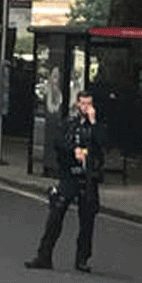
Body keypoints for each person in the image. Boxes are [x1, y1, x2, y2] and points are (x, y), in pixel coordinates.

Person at [25, 90, 107, 272]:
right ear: (78, 104)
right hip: (70, 175)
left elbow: (103, 143)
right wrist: (74, 149)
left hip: (88, 177)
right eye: (83, 103)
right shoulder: (69, 123)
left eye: (89, 104)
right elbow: (58, 141)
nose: (87, 107)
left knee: (87, 220)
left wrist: (93, 123)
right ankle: (44, 256)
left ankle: (82, 259)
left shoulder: (97, 126)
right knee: (56, 213)